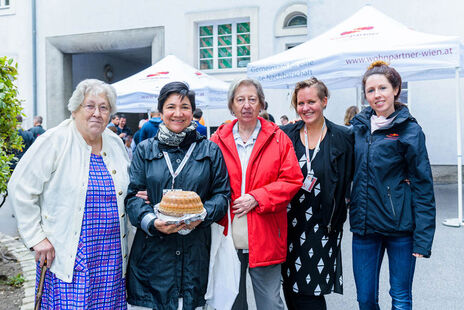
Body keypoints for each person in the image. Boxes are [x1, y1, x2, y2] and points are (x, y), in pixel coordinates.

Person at [8, 79, 130, 308]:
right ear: (75, 110)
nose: (97, 113)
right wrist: (37, 238)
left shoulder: (114, 143)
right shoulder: (55, 140)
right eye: (90, 106)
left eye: (103, 107)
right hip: (70, 256)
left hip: (111, 256)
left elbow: (128, 186)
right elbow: (20, 188)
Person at [125, 81, 230, 310]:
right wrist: (151, 222)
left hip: (194, 254)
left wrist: (203, 214)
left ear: (193, 112)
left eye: (185, 107)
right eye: (171, 107)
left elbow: (222, 195)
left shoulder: (209, 150)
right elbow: (133, 197)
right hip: (153, 257)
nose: (178, 113)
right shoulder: (145, 150)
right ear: (160, 112)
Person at [210, 78, 303, 310]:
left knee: (270, 303)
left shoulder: (278, 138)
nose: (246, 105)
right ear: (232, 105)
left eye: (252, 99)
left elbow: (292, 180)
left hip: (266, 233)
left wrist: (257, 197)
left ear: (261, 104)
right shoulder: (217, 140)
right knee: (233, 302)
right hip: (228, 234)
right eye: (240, 99)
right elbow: (203, 180)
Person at [350, 61, 436, 310]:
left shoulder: (410, 131)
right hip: (365, 228)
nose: (377, 95)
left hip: (400, 229)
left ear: (396, 89)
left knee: (400, 297)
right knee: (365, 299)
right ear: (365, 94)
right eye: (370, 90)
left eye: (383, 88)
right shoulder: (357, 129)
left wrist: (423, 238)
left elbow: (423, 186)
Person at [280, 78, 354, 310]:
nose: (305, 108)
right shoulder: (286, 135)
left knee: (309, 293)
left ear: (324, 101)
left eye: (311, 101)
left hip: (322, 226)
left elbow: (356, 173)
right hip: (287, 226)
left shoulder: (342, 137)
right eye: (300, 103)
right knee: (291, 288)